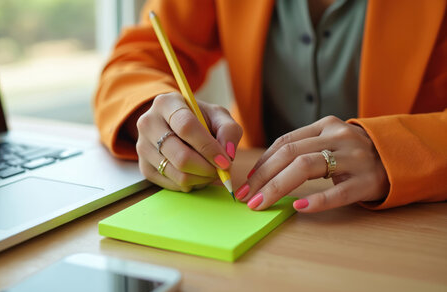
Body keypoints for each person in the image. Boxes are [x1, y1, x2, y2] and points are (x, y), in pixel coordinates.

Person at [94, 0, 447, 213]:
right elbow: (135, 62)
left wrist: (391, 151)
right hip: (260, 216)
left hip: (407, 226)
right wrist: (157, 118)